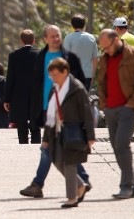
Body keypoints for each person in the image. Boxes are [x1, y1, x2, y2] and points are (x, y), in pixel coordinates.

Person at [20, 25, 88, 199]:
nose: (56, 39)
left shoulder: (69, 58)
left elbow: (80, 83)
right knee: (54, 147)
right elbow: (35, 84)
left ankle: (38, 184)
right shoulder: (40, 57)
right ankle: (83, 181)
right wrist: (34, 108)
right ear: (45, 39)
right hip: (47, 108)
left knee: (51, 148)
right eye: (52, 36)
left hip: (66, 110)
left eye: (58, 35)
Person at [96, 27, 134, 199]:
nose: (105, 51)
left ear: (116, 40)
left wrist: (131, 104)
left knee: (122, 144)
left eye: (107, 47)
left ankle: (125, 186)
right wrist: (104, 104)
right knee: (116, 146)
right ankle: (133, 186)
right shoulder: (105, 57)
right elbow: (102, 81)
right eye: (103, 48)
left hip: (130, 107)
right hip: (111, 109)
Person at [42, 57, 96, 208]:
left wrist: (90, 136)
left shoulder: (77, 88)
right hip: (57, 131)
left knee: (70, 163)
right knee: (57, 160)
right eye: (51, 75)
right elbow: (50, 114)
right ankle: (81, 185)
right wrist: (46, 137)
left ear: (65, 71)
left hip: (74, 130)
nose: (53, 78)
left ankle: (71, 198)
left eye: (55, 74)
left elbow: (87, 112)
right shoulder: (55, 88)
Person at [4, 29, 41, 144]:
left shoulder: (14, 55)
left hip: (19, 95)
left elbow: (10, 78)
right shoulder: (41, 54)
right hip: (37, 95)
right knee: (35, 125)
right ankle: (36, 145)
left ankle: (23, 145)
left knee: (21, 125)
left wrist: (7, 99)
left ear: (21, 41)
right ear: (34, 41)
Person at [63, 14, 98, 89]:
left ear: (72, 25)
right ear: (84, 25)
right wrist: (92, 75)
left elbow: (65, 58)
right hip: (87, 75)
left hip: (73, 75)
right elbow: (95, 59)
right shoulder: (91, 38)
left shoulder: (69, 38)